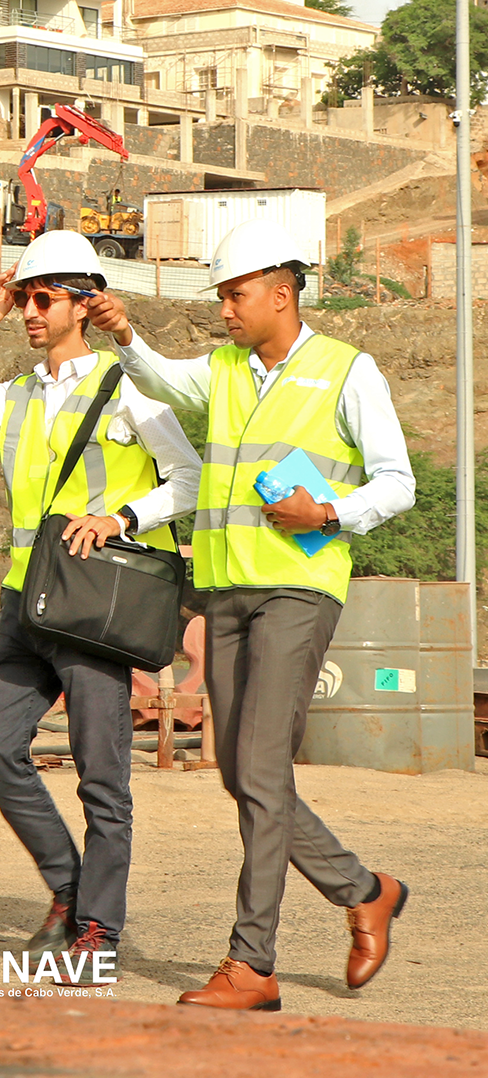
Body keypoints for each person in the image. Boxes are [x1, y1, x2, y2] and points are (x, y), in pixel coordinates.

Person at [88, 218, 416, 1010]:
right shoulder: (227, 369)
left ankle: (253, 965)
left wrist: (329, 512)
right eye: (223, 297)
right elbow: (165, 380)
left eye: (235, 295)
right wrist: (128, 336)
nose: (225, 309)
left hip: (299, 592)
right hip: (227, 591)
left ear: (280, 291)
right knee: (242, 771)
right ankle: (364, 889)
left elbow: (396, 481)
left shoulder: (348, 370)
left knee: (260, 771)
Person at [0, 230, 200, 976]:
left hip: (94, 608)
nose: (30, 311)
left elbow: (190, 478)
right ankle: (71, 889)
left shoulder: (128, 387)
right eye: (25, 300)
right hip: (22, 606)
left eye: (44, 299)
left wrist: (122, 518)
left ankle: (98, 929)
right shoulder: (13, 395)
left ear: (81, 303)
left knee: (102, 775)